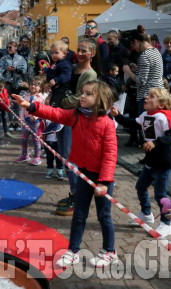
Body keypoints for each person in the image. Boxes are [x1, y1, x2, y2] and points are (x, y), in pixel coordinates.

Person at [12, 80, 119, 268]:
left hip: (102, 178)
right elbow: (55, 113)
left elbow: (110, 155)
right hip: (84, 173)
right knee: (79, 214)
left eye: (88, 94)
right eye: (82, 93)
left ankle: (109, 251)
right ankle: (73, 251)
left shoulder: (107, 124)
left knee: (104, 216)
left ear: (100, 99)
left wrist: (104, 182)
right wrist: (31, 106)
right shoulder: (76, 116)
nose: (82, 96)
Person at [110, 87, 171, 237]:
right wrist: (118, 116)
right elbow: (132, 123)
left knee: (160, 194)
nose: (146, 97)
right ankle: (146, 213)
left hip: (163, 162)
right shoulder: (145, 115)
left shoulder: (163, 117)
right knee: (140, 186)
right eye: (147, 95)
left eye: (151, 96)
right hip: (150, 161)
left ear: (161, 104)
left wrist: (155, 143)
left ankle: (166, 224)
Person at [54, 39, 99, 216]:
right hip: (65, 116)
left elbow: (80, 97)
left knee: (69, 157)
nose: (80, 53)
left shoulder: (90, 74)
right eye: (78, 50)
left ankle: (78, 197)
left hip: (76, 118)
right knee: (64, 155)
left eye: (84, 51)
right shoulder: (72, 68)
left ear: (92, 54)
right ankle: (74, 192)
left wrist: (61, 102)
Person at [123, 31, 164, 116]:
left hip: (147, 96)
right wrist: (138, 69)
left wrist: (129, 72)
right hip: (158, 92)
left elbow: (142, 81)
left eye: (133, 45)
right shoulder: (155, 51)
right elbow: (153, 72)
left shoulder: (144, 56)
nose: (134, 48)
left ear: (136, 41)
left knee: (145, 126)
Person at [14, 76, 48, 165]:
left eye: (36, 85)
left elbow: (43, 110)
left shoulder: (42, 98)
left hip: (36, 122)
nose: (33, 86)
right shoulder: (27, 96)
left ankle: (37, 157)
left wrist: (36, 117)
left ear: (40, 88)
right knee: (24, 139)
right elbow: (23, 108)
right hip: (26, 121)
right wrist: (21, 119)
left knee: (36, 140)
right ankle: (25, 155)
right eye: (32, 84)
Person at [0, 41, 27, 130]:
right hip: (8, 83)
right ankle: (11, 122)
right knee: (9, 102)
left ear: (15, 48)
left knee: (17, 103)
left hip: (17, 83)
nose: (8, 49)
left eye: (10, 47)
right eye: (7, 47)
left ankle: (17, 122)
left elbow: (24, 69)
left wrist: (16, 69)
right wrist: (7, 70)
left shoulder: (21, 58)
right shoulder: (4, 58)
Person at [41, 40, 73, 108]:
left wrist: (56, 80)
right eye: (52, 53)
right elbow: (53, 71)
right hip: (56, 89)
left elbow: (66, 75)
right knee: (52, 103)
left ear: (64, 53)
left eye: (56, 53)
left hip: (62, 90)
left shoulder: (65, 64)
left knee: (55, 105)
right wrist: (46, 70)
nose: (53, 55)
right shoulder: (58, 63)